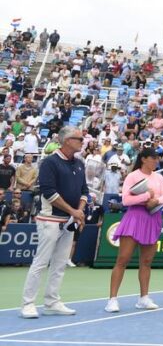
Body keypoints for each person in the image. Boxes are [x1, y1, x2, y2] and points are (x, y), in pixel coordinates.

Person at [20, 126, 87, 319]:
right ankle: (28, 303)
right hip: (49, 220)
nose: (83, 142)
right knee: (41, 262)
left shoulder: (80, 163)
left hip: (69, 221)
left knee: (59, 265)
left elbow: (84, 191)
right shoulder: (50, 162)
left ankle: (51, 302)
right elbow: (49, 192)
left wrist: (79, 212)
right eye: (79, 139)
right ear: (67, 141)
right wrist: (73, 211)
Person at [105, 146, 163, 313]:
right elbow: (126, 200)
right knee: (123, 259)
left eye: (158, 158)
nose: (156, 161)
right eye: (154, 158)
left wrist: (156, 201)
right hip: (134, 218)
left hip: (152, 218)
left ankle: (143, 298)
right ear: (144, 159)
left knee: (146, 262)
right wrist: (147, 196)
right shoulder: (133, 176)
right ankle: (112, 300)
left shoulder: (159, 177)